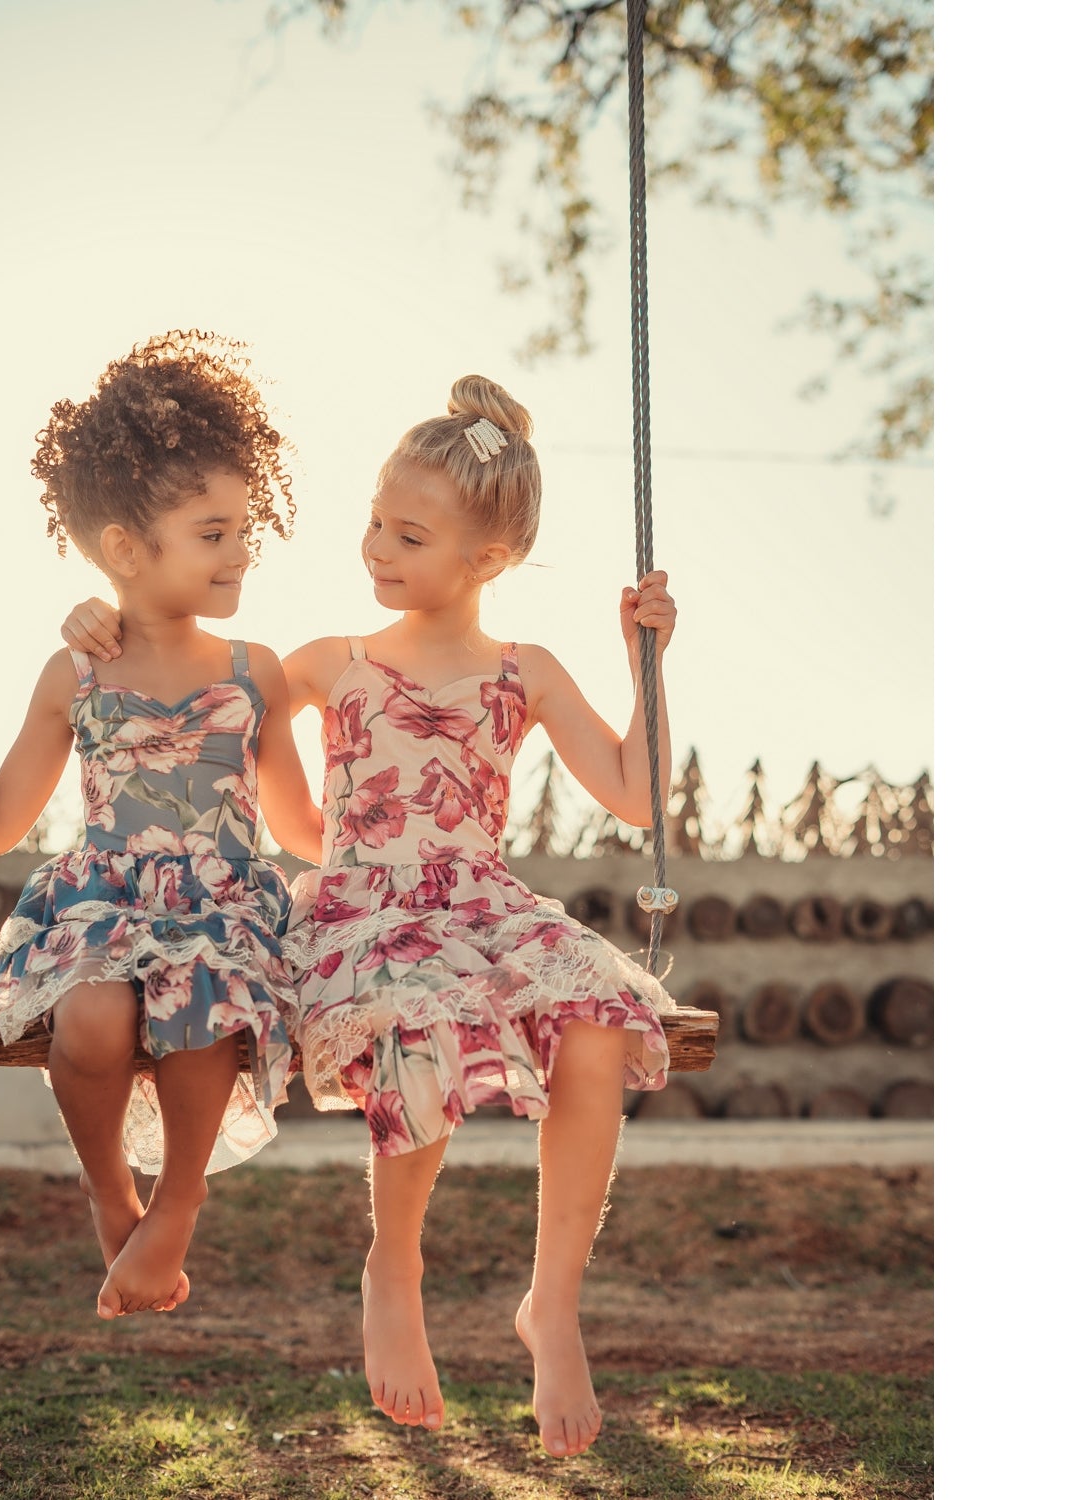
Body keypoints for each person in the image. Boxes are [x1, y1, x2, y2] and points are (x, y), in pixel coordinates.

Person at [61, 374, 678, 1458]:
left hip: (480, 905)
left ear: (487, 561)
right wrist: (109, 619)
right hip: (363, 912)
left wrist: (647, 663)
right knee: (413, 1011)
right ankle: (395, 1266)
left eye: (409, 535)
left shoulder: (524, 672)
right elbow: (209, 688)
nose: (377, 550)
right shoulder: (332, 665)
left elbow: (637, 794)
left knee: (594, 1018)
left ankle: (555, 1303)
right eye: (375, 523)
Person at [0, 330, 321, 1323]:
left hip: (225, 907)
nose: (239, 551)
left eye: (244, 528)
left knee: (204, 1003)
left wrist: (411, 799)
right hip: (104, 905)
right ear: (122, 549)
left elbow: (302, 826)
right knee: (96, 1015)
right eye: (211, 531)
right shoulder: (76, 675)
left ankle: (178, 1206)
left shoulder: (254, 673)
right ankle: (111, 1187)